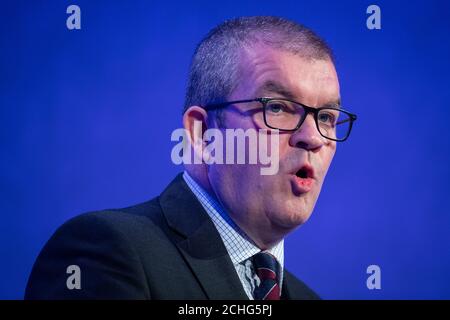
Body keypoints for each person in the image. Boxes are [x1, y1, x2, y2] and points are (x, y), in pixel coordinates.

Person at [25, 16, 357, 300]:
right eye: (278, 108)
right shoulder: (104, 253)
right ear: (202, 133)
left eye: (327, 117)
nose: (313, 138)